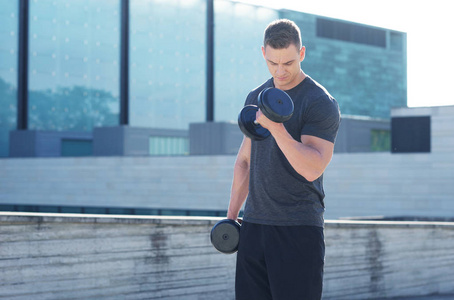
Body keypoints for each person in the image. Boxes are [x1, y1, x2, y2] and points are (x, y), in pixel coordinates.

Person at [227, 19, 341, 300]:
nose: (280, 71)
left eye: (288, 63)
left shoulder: (319, 102)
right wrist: (231, 217)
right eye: (272, 63)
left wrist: (276, 128)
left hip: (298, 229)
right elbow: (244, 161)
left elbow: (312, 168)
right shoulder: (255, 96)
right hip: (254, 227)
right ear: (263, 53)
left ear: (301, 53)